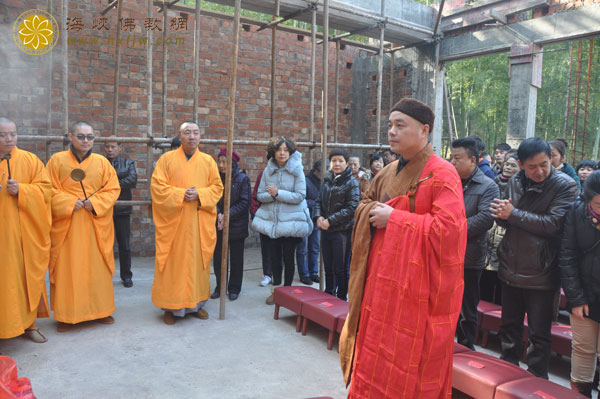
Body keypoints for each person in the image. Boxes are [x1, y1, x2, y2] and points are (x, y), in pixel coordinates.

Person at [339, 98, 467, 398]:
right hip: (381, 284)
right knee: (373, 349)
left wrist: (394, 217)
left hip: (417, 292)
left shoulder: (443, 174)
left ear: (424, 130)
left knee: (413, 360)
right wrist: (376, 212)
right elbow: (364, 204)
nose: (391, 132)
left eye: (400, 125)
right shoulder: (388, 171)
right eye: (389, 125)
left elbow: (449, 231)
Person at [491, 137, 578, 378]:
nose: (539, 171)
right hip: (511, 263)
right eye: (532, 167)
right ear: (520, 164)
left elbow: (554, 225)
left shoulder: (566, 185)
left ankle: (537, 381)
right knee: (509, 328)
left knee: (539, 334)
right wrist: (501, 215)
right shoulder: (515, 181)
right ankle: (507, 375)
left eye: (544, 164)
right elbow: (508, 220)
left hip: (542, 269)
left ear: (551, 159)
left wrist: (513, 214)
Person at [47, 121, 120, 331]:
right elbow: (47, 189)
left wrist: (95, 202)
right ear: (70, 136)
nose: (86, 141)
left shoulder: (102, 162)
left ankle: (101, 311)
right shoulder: (56, 161)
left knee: (97, 269)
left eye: (90, 137)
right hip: (68, 226)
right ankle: (67, 315)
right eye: (81, 136)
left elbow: (113, 189)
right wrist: (70, 202)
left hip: (95, 223)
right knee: (69, 269)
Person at [150, 122, 224, 325]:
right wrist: (182, 194)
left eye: (196, 133)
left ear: (200, 137)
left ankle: (196, 305)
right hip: (174, 225)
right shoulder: (166, 160)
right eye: (187, 133)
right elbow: (157, 187)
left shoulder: (208, 161)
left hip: (199, 224)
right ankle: (170, 307)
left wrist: (199, 194)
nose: (192, 137)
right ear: (180, 136)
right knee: (172, 266)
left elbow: (217, 188)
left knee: (197, 266)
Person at [0, 117, 51, 343]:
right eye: (2, 135)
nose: (8, 139)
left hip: (22, 237)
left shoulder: (30, 160)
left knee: (24, 279)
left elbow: (46, 191)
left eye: (13, 134)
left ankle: (29, 325)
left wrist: (23, 190)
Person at [251, 137, 313, 305]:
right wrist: (272, 195)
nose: (283, 153)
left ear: (291, 152)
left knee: (288, 257)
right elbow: (260, 195)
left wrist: (279, 193)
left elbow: (300, 195)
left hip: (291, 222)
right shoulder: (267, 171)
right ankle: (276, 292)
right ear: (273, 152)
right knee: (275, 258)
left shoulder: (297, 170)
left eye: (286, 150)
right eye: (279, 150)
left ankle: (287, 293)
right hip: (273, 223)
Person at [450, 137, 499, 350]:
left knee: (467, 310)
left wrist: (449, 230)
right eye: (451, 157)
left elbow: (485, 219)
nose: (452, 162)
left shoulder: (488, 185)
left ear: (473, 160)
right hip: (445, 254)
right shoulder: (448, 182)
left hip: (470, 257)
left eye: (457, 158)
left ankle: (466, 350)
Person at [559, 171, 600, 397]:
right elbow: (567, 255)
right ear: (587, 199)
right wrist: (575, 297)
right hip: (583, 294)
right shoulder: (576, 212)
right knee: (583, 349)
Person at [314, 148, 360, 300]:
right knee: (328, 266)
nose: (337, 164)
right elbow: (319, 201)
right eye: (334, 161)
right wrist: (319, 217)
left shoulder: (352, 182)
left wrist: (330, 221)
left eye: (341, 161)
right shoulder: (327, 179)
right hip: (326, 229)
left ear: (347, 163)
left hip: (342, 231)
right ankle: (329, 295)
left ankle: (341, 298)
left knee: (341, 268)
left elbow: (352, 206)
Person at [211, 148, 250, 301]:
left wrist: (227, 214)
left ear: (232, 163)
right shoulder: (216, 178)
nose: (221, 165)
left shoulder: (242, 179)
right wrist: (218, 213)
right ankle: (219, 287)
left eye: (224, 161)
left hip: (237, 225)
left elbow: (245, 201)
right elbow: (214, 197)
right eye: (219, 161)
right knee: (219, 258)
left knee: (236, 259)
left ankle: (234, 288)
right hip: (219, 224)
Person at [481, 150, 520, 304]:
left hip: (506, 237)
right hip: (490, 233)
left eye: (513, 165)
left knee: (501, 288)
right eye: (507, 164)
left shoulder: (519, 189)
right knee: (485, 282)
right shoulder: (493, 182)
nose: (508, 168)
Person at [103, 138, 137, 288]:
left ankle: (126, 276)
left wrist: (110, 184)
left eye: (113, 147)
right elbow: (96, 181)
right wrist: (118, 182)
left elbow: (132, 180)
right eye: (107, 147)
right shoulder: (99, 162)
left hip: (122, 209)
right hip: (103, 209)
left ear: (120, 148)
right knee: (104, 245)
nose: (110, 149)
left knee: (124, 245)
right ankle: (103, 275)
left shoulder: (128, 163)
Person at [296, 160, 322, 285]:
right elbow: (300, 200)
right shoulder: (305, 181)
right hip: (304, 219)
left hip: (316, 218)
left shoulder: (325, 181)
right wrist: (317, 203)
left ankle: (314, 273)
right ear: (315, 171)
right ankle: (304, 274)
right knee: (303, 248)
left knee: (315, 247)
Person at [250, 153, 273, 287]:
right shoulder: (262, 174)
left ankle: (276, 273)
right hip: (265, 215)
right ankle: (267, 274)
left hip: (280, 217)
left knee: (279, 248)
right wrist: (255, 213)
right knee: (266, 246)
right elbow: (255, 196)